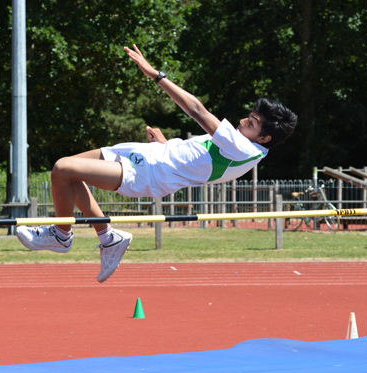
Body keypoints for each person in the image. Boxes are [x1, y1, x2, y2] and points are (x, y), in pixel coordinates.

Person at [16, 44, 298, 282]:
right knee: (67, 172)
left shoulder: (244, 149)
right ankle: (107, 238)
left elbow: (197, 110)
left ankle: (61, 235)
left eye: (253, 122)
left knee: (63, 169)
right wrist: (167, 145)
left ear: (265, 137)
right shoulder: (244, 145)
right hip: (151, 156)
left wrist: (156, 75)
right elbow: (197, 162)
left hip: (149, 173)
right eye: (250, 115)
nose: (244, 120)